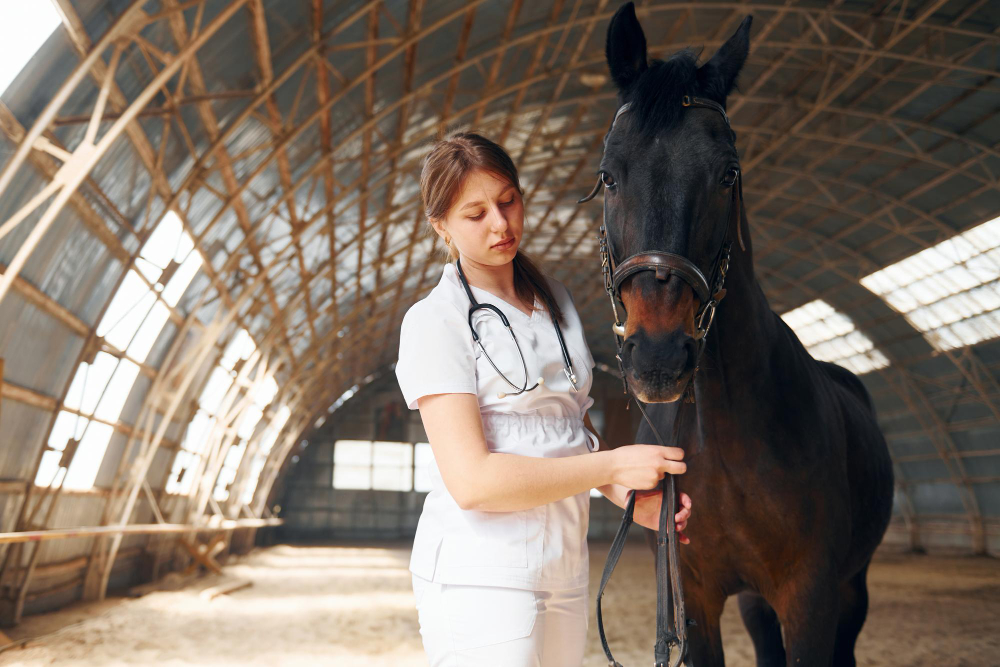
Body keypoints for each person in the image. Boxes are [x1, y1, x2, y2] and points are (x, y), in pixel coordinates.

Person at [394, 131, 692, 667]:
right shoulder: (433, 322)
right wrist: (613, 462)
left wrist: (624, 493)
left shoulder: (557, 301)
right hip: (480, 576)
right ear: (440, 225)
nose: (500, 224)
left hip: (564, 568)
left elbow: (567, 434)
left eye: (507, 201)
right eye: (475, 213)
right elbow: (474, 482)